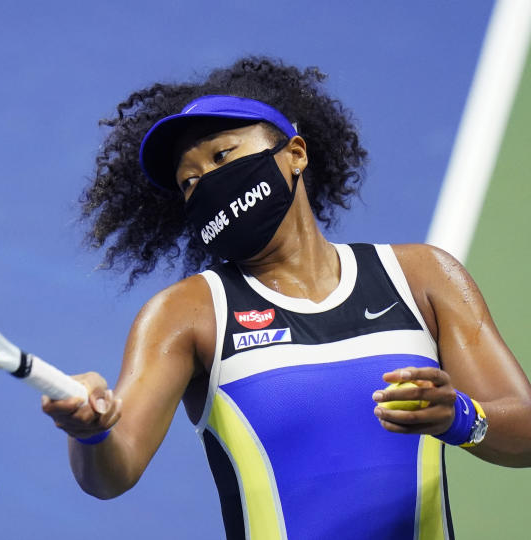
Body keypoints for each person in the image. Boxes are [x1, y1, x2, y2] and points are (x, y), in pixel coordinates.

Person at [41, 57, 531, 539]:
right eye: (189, 182)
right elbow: (113, 472)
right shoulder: (186, 315)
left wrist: (462, 416)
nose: (207, 182)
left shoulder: (422, 275)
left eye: (222, 156)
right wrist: (90, 432)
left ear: (295, 153)